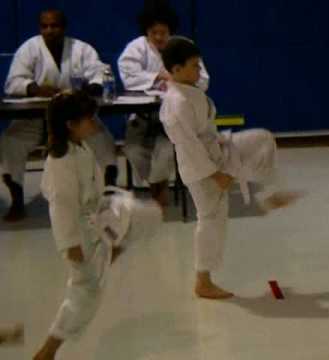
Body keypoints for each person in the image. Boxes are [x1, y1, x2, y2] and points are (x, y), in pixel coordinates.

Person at [160, 38, 302, 299]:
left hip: (216, 150)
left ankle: (268, 195)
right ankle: (203, 281)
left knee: (262, 139)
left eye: (199, 64)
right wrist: (217, 175)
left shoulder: (186, 85)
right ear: (178, 69)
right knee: (212, 220)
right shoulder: (176, 103)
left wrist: (168, 75)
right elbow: (189, 146)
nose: (199, 71)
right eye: (194, 66)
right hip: (200, 168)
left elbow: (201, 82)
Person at [0, 9, 118, 222]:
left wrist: (89, 89)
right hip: (35, 117)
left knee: (103, 140)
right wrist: (34, 88)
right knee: (11, 142)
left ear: (63, 28)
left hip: (76, 117)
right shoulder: (29, 48)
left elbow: (100, 72)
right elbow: (13, 81)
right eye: (44, 26)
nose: (49, 30)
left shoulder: (81, 49)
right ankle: (17, 200)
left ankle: (110, 197)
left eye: (54, 26)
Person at [33, 91, 123, 360]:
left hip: (91, 227)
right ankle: (47, 351)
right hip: (78, 236)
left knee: (87, 291)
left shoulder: (80, 147)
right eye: (88, 119)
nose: (94, 124)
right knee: (84, 293)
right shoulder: (61, 161)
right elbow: (61, 207)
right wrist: (70, 244)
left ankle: (49, 349)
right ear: (70, 124)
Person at [118, 0, 209, 206]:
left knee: (166, 150)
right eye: (154, 33)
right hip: (142, 116)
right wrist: (158, 76)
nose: (159, 37)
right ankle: (156, 185)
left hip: (176, 116)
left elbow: (203, 80)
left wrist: (177, 79)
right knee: (132, 149)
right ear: (146, 31)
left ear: (171, 31)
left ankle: (158, 190)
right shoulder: (135, 48)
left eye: (163, 32)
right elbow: (128, 78)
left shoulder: (183, 46)